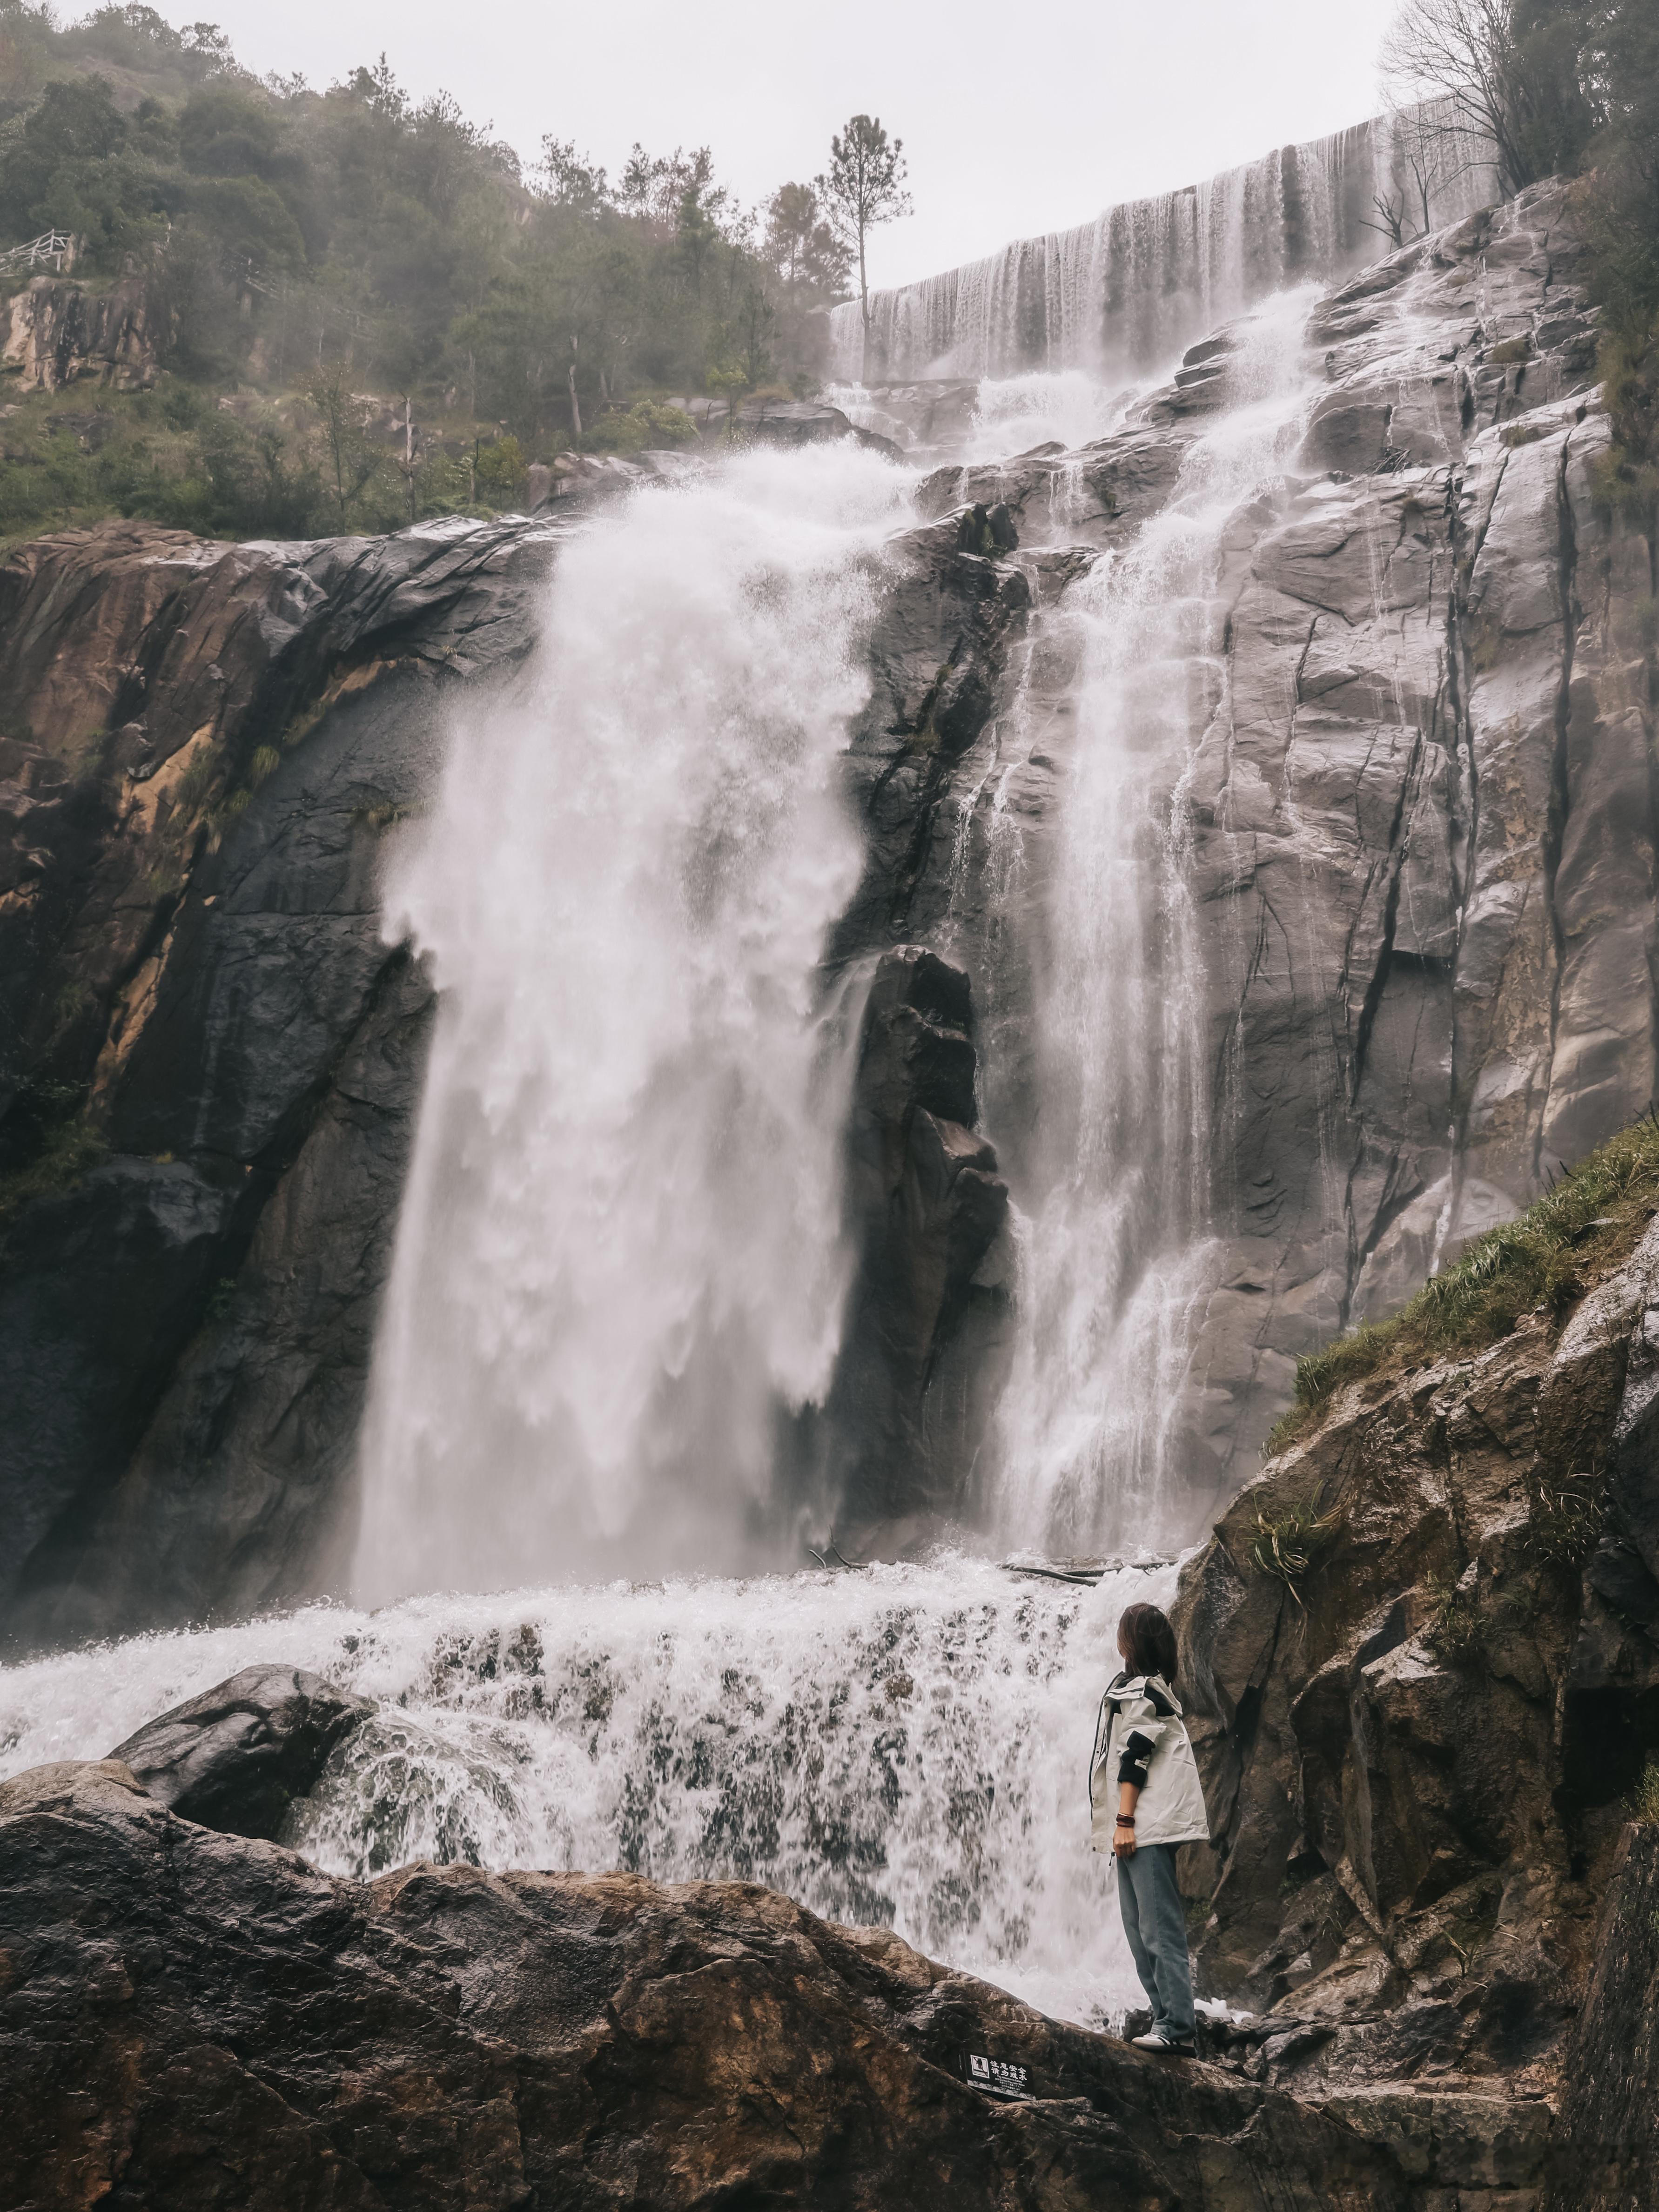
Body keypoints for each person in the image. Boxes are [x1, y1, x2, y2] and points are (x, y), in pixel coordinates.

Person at [1089, 1600, 1210, 2057]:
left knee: (1159, 1929)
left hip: (1145, 1826)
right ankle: (1164, 2018)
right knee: (1140, 1930)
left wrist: (1123, 1821)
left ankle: (1177, 2027)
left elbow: (1135, 1756)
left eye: (1123, 1630)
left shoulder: (1146, 1691)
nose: (1118, 1637)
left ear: (1133, 1641)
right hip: (1136, 1827)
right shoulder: (1132, 1687)